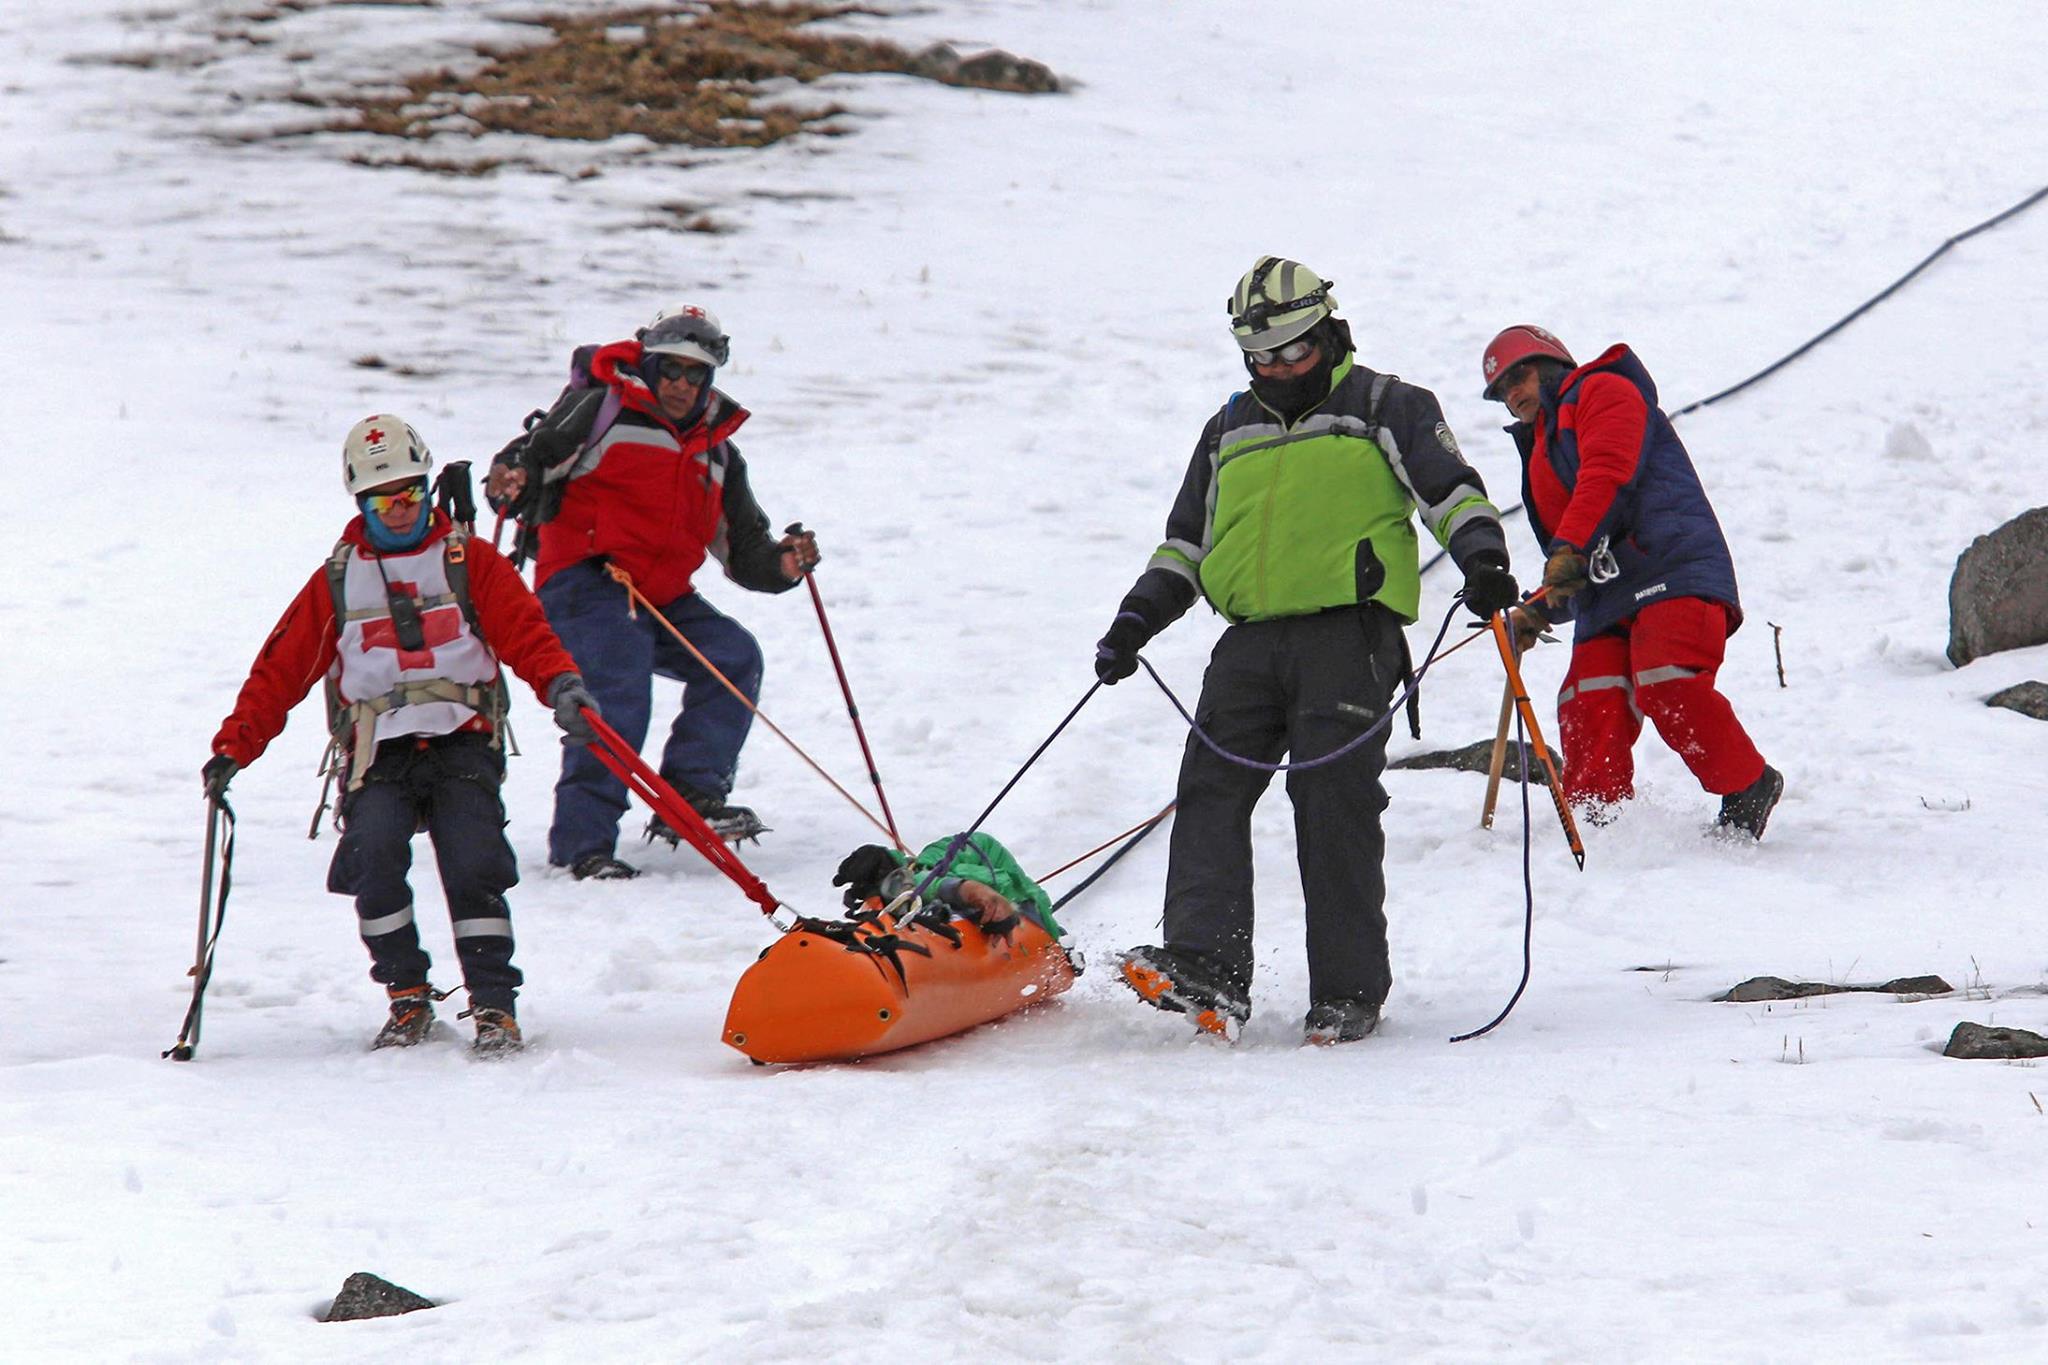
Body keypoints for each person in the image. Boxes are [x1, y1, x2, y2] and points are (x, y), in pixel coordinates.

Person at [1092, 256, 1520, 1045]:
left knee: (1332, 802)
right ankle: (1206, 968)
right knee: (1211, 788)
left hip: (1347, 636)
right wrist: (1135, 621)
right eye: (1263, 357)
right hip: (1248, 642)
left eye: (1294, 351)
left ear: (1328, 331)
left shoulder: (1388, 404)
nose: (1280, 368)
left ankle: (1349, 991)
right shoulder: (1227, 429)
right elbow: (1186, 545)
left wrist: (1484, 561)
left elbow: (1453, 492)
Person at [205, 415, 596, 1053]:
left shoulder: (469, 561)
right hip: (375, 750)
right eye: (384, 498)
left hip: (461, 738)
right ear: (361, 501)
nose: (399, 508)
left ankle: (494, 1005)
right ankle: (407, 997)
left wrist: (562, 686)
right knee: (372, 855)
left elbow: (526, 633)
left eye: (412, 492)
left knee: (474, 862)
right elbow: (281, 667)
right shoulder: (337, 578)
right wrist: (234, 747)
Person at [485, 304, 821, 881]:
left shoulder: (717, 454)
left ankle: (691, 797)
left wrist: (784, 564)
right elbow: (528, 464)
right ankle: (582, 844)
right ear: (651, 365)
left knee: (733, 658)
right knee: (619, 678)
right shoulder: (603, 410)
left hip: (660, 597)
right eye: (670, 369)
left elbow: (744, 551)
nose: (681, 384)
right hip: (585, 580)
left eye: (696, 374)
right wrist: (507, 479)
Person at [1479, 324, 1783, 837]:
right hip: (1609, 593)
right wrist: (1538, 607)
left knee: (1665, 677)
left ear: (1552, 362)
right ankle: (1599, 826)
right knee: (1586, 697)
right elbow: (1578, 551)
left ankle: (1747, 784)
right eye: (1502, 392)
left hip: (1671, 568)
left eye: (1520, 375)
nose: (1513, 393)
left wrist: (1569, 551)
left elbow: (1607, 473)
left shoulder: (1603, 388)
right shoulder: (1540, 451)